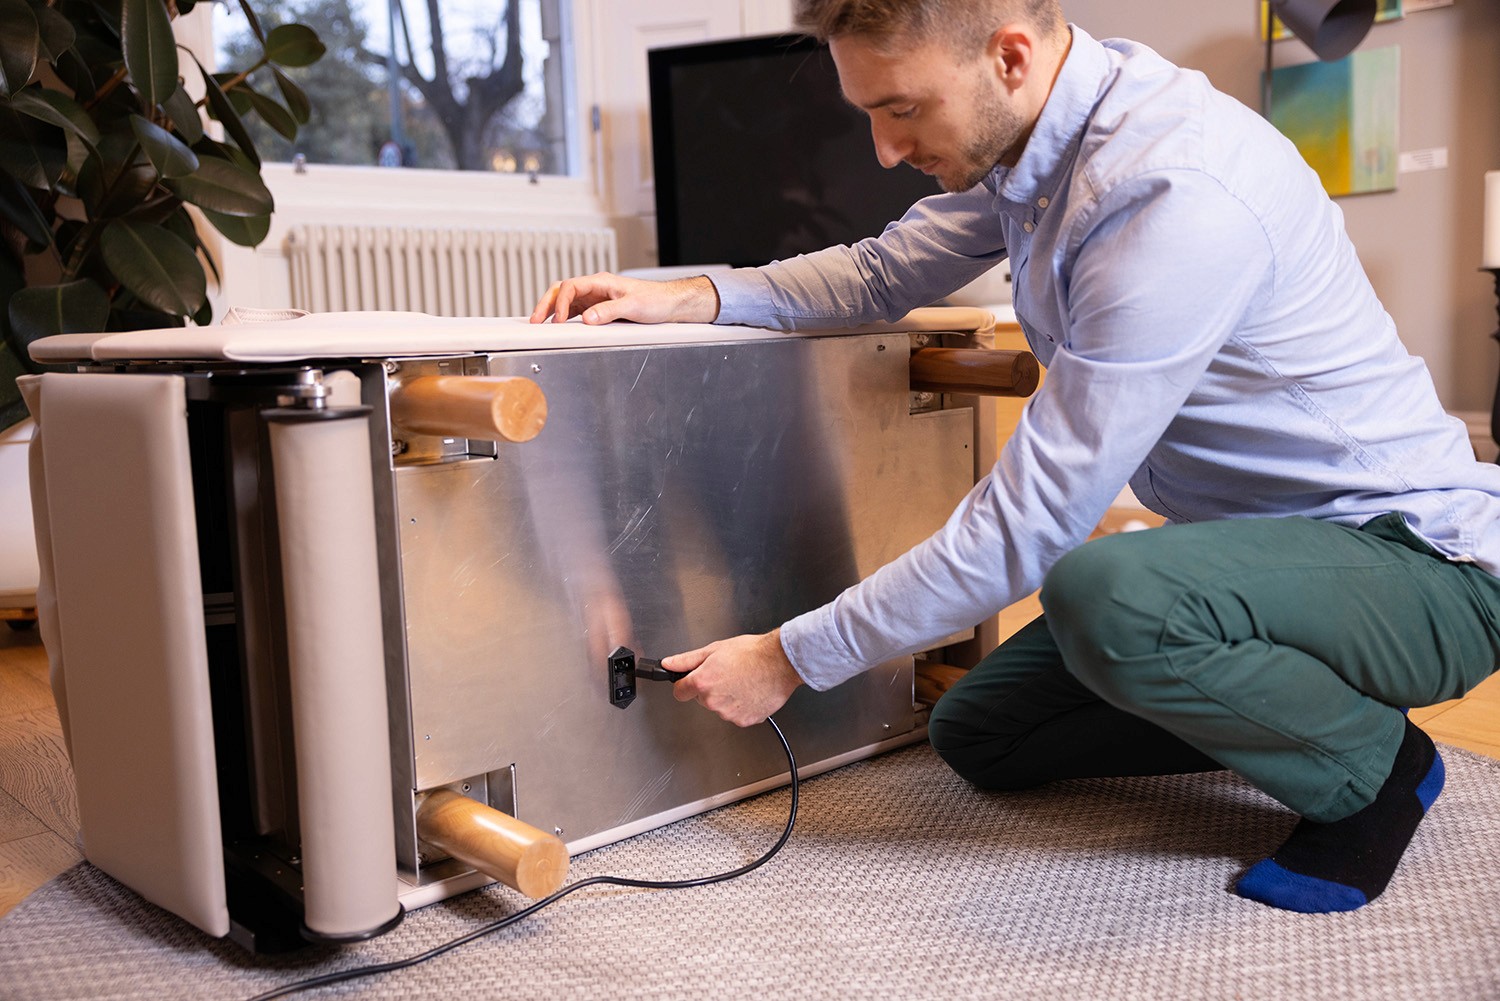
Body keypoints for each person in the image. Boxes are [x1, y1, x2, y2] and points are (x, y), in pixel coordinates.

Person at [530, 0, 1500, 915]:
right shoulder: (1039, 143)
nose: (886, 147)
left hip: (1423, 567)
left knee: (1105, 592)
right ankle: (1294, 702)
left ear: (1009, 56)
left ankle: (1377, 771)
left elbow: (1029, 527)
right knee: (982, 731)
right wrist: (694, 293)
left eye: (903, 109)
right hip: (1267, 560)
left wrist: (788, 655)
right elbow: (880, 269)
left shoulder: (1172, 190)